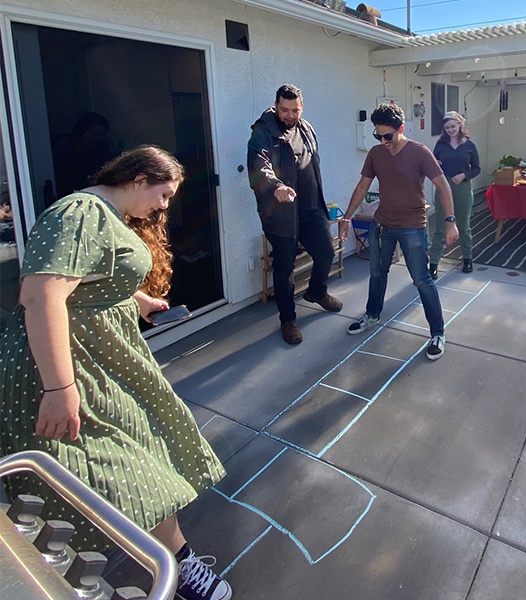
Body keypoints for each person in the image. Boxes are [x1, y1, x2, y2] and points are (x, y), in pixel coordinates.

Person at [0, 146, 233, 600]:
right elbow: (41, 297)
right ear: (140, 178)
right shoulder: (81, 212)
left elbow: (85, 288)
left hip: (100, 363)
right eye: (164, 195)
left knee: (138, 454)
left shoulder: (107, 215)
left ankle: (173, 562)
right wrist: (59, 387)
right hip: (70, 370)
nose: (164, 207)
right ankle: (58, 574)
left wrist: (136, 301)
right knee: (107, 468)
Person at [339, 103, 458, 360]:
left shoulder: (420, 153)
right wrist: (347, 217)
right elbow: (362, 186)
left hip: (412, 227)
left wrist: (450, 221)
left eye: (388, 136)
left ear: (401, 129)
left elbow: (443, 186)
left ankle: (437, 333)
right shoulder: (376, 154)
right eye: (378, 135)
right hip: (382, 225)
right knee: (376, 274)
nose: (383, 141)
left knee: (422, 280)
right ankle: (371, 315)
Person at [247, 83, 342, 345]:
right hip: (281, 215)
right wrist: (275, 186)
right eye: (284, 109)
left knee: (326, 252)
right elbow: (259, 165)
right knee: (284, 267)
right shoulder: (263, 131)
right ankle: (287, 320)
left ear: (302, 107)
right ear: (276, 106)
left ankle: (317, 292)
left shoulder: (306, 128)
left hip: (312, 208)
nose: (289, 115)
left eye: (295, 110)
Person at [428, 111, 480, 278]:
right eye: (447, 127)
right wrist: (436, 163)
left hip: (463, 187)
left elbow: (477, 168)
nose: (450, 130)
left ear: (460, 125)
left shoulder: (469, 145)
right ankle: (434, 262)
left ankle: (467, 258)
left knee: (464, 226)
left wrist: (464, 175)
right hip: (444, 186)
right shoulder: (440, 145)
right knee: (440, 227)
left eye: (453, 126)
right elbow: (432, 165)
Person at [51, 112, 114, 199]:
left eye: (101, 135)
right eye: (92, 133)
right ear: (81, 132)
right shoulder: (63, 147)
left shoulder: (101, 148)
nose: (96, 138)